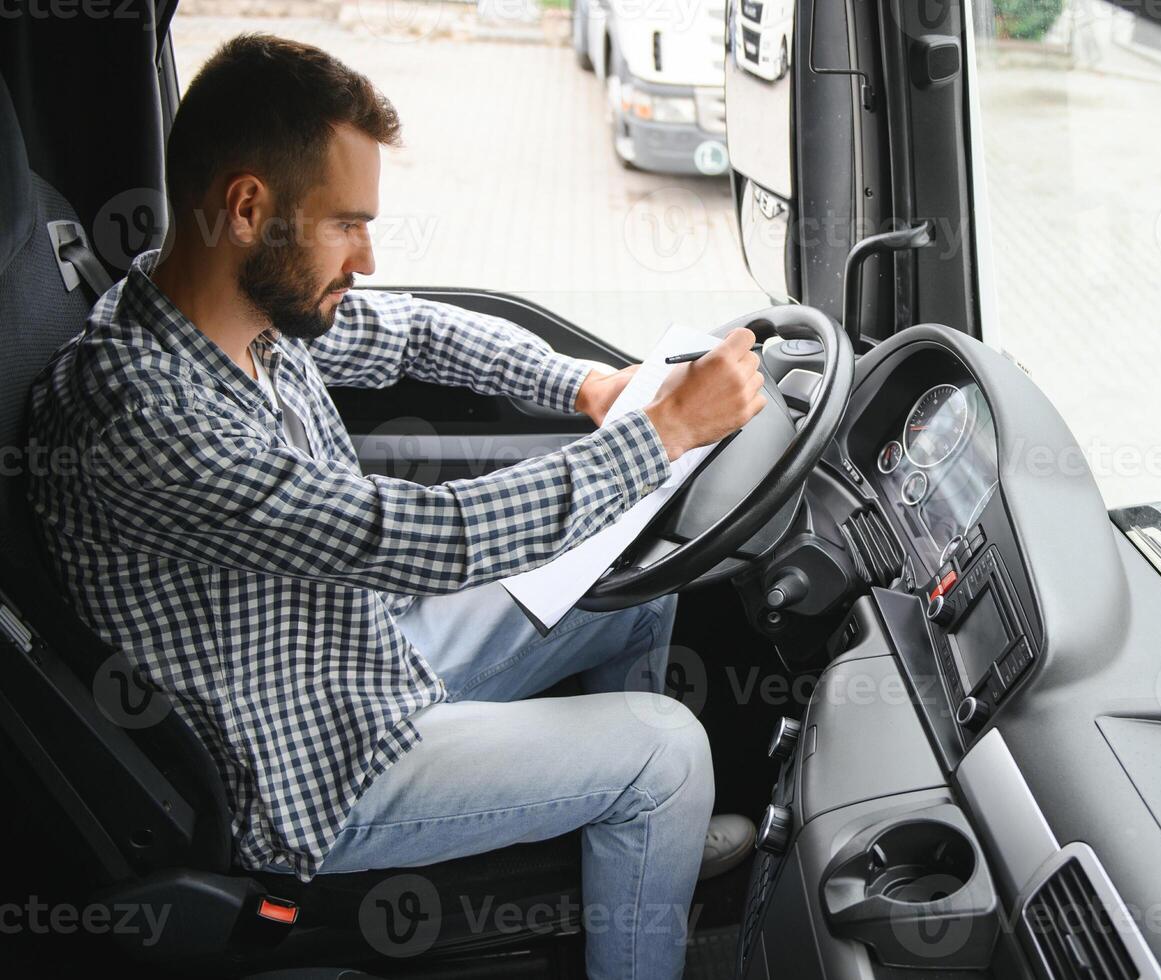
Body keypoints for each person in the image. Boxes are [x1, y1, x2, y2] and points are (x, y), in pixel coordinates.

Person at [26, 33, 764, 979]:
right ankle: (649, 810)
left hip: (362, 662)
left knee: (638, 587)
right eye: (347, 225)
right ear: (247, 207)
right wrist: (660, 433)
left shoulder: (231, 314)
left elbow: (411, 333)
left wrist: (585, 386)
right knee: (665, 750)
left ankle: (633, 847)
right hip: (316, 775)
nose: (367, 258)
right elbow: (426, 539)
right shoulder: (141, 419)